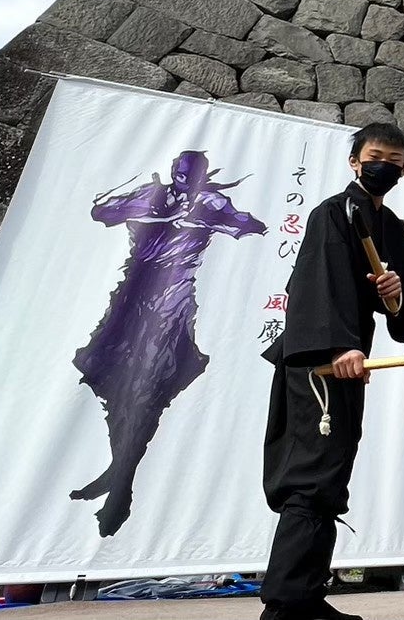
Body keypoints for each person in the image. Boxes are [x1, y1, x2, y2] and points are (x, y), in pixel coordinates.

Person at [259, 123, 404, 620]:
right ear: (355, 160)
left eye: (395, 160)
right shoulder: (335, 212)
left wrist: (394, 299)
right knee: (310, 477)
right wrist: (343, 345)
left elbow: (401, 321)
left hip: (352, 363)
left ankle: (306, 595)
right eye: (376, 156)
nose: (384, 166)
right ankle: (285, 604)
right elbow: (319, 284)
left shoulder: (391, 227)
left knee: (330, 477)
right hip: (322, 362)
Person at [74, 150, 267, 537]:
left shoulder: (209, 201)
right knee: (109, 382)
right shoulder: (153, 194)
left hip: (172, 301)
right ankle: (118, 471)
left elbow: (252, 225)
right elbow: (102, 212)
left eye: (189, 172)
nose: (182, 178)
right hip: (131, 295)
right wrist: (148, 209)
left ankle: (121, 488)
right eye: (178, 171)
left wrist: (217, 220)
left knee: (148, 388)